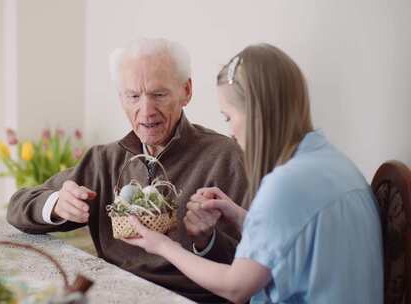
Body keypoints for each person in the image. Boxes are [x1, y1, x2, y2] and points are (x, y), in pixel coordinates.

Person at [123, 43, 383, 303]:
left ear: (257, 113)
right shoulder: (335, 165)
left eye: (228, 117)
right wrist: (239, 216)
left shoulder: (286, 184)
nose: (231, 132)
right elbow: (297, 237)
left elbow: (236, 288)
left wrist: (163, 246)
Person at [7, 38, 247, 303]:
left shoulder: (225, 156)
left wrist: (207, 241)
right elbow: (17, 205)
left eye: (159, 94)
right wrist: (56, 205)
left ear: (186, 91)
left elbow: (249, 270)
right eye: (133, 96)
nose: (146, 111)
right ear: (121, 98)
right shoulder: (104, 159)